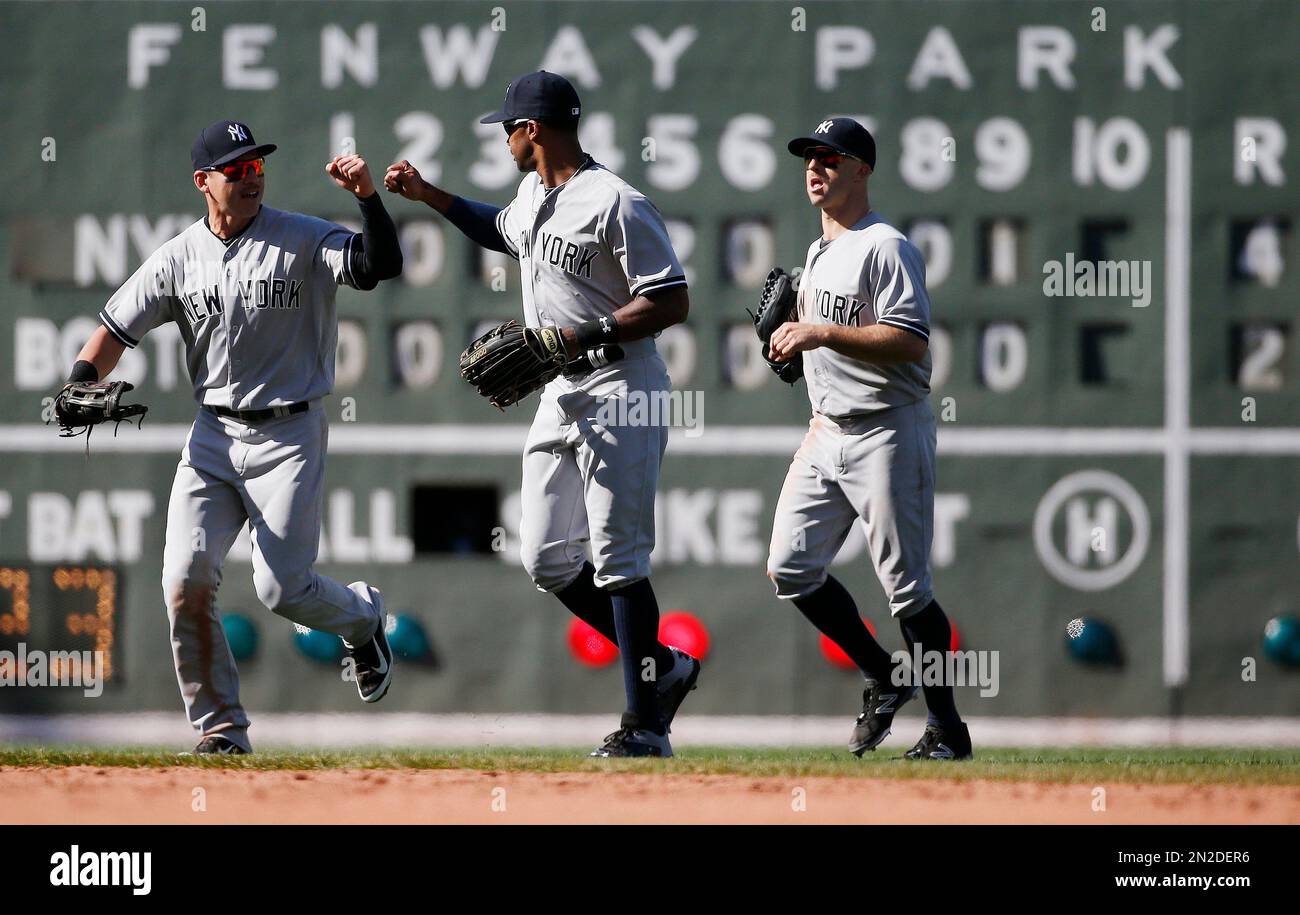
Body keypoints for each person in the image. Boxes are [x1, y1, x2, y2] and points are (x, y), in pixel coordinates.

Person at [384, 71, 700, 757]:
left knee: (619, 560)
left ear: (533, 130)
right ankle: (667, 667)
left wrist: (580, 333)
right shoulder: (533, 194)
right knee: (547, 557)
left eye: (507, 127)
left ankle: (644, 724)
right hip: (561, 390)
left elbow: (672, 301)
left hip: (622, 387)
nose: (503, 137)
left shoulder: (616, 201)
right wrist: (428, 195)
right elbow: (500, 231)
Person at [62, 119, 403, 754]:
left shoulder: (302, 238)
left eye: (257, 168)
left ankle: (362, 619)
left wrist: (368, 200)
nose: (251, 179)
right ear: (204, 182)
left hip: (289, 433)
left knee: (283, 590)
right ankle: (221, 730)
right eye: (236, 171)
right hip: (213, 436)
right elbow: (115, 328)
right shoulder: (178, 256)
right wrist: (79, 378)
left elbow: (378, 266)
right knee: (183, 582)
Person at [765, 117, 972, 760]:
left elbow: (910, 339)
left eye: (831, 156)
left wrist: (820, 333)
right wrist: (797, 348)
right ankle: (883, 675)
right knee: (790, 567)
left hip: (888, 429)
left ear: (863, 169)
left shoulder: (887, 246)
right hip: (827, 428)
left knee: (908, 588)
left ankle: (946, 731)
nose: (815, 166)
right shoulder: (821, 249)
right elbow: (832, 338)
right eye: (809, 156)